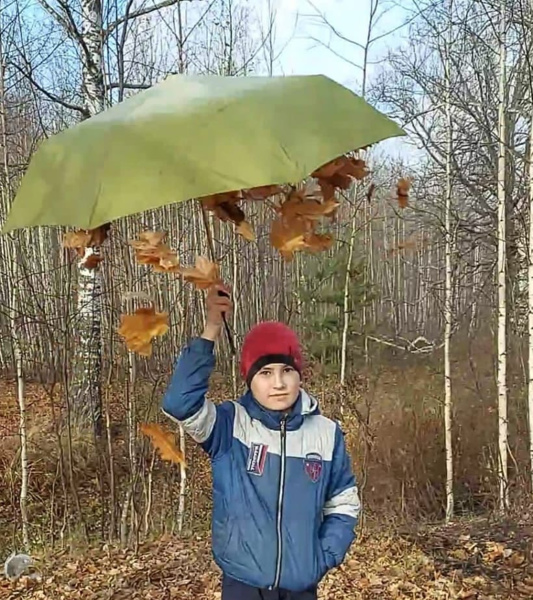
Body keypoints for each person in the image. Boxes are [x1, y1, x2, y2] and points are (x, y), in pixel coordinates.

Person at [161, 284, 360, 600]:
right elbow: (178, 402)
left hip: (301, 587)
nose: (279, 383)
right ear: (249, 378)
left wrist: (324, 556)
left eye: (286, 371)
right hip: (243, 585)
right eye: (265, 372)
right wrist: (211, 328)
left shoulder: (326, 434)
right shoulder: (229, 427)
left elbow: (343, 502)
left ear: (299, 374)